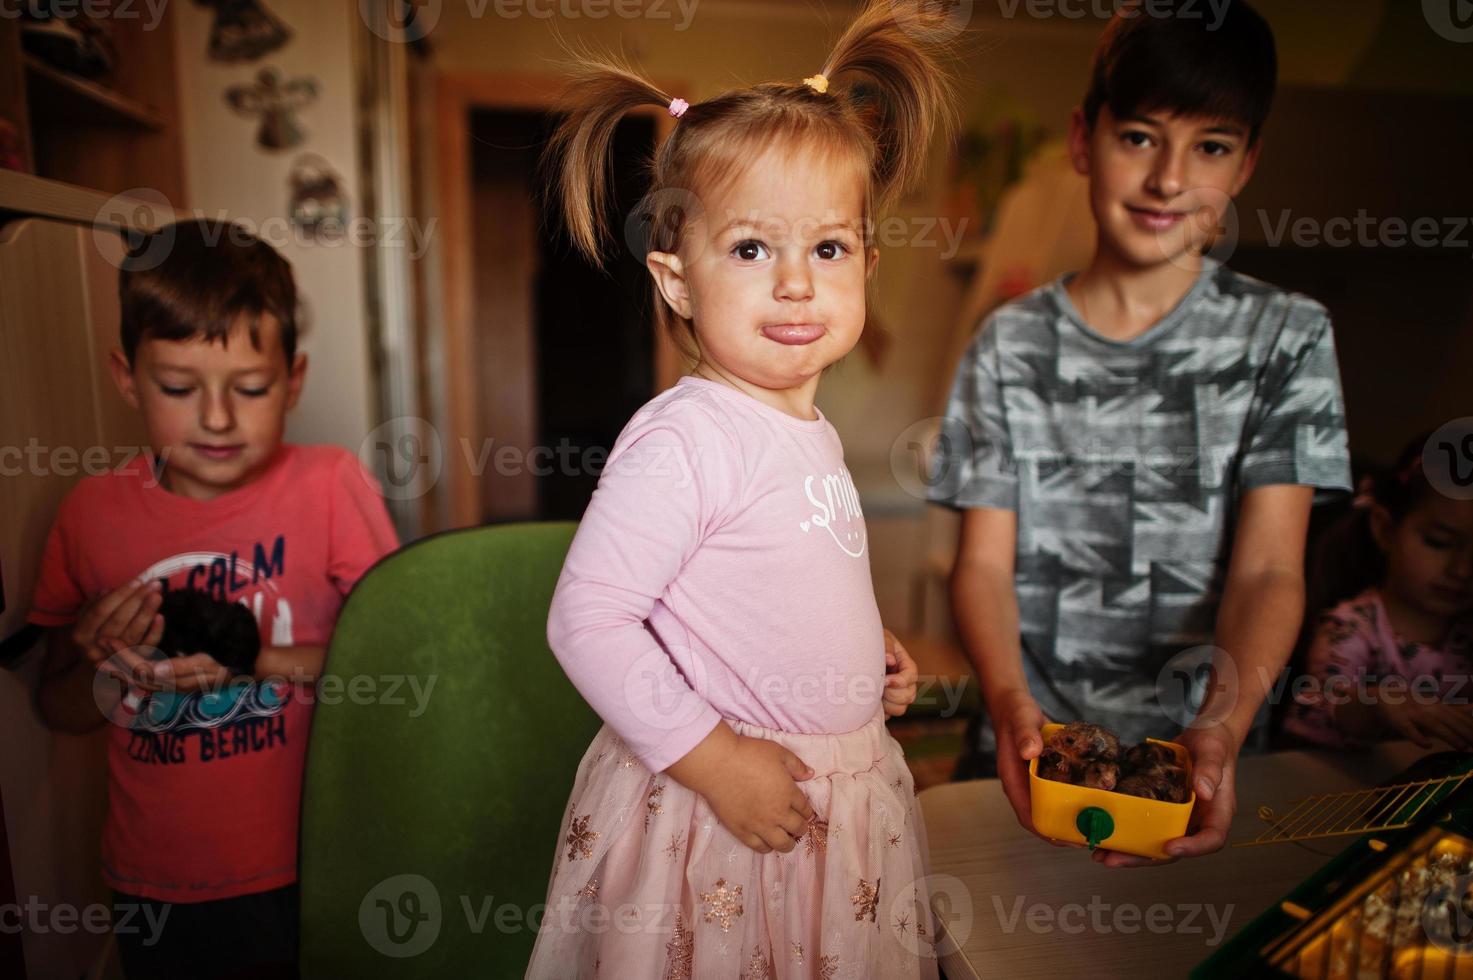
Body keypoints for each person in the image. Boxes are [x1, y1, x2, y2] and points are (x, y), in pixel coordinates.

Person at [523, 4, 953, 976]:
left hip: (830, 780)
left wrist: (859, 659)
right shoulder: (687, 437)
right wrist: (717, 764)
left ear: (867, 267)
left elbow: (774, 582)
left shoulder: (806, 427)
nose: (797, 283)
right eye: (753, 249)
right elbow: (586, 618)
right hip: (722, 814)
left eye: (829, 249)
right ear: (678, 281)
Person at [929, 0, 1352, 869]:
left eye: (1210, 146)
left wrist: (1220, 732)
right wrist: (1009, 704)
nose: (1167, 180)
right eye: (1140, 137)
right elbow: (980, 565)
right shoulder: (1009, 343)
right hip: (1026, 759)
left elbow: (1271, 567)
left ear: (1245, 165)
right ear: (1085, 140)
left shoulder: (1288, 337)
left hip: (1202, 766)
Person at [30, 219, 399, 979]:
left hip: (317, 855)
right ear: (127, 377)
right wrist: (99, 662)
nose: (219, 418)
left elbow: (395, 668)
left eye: (252, 389)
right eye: (177, 388)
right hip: (155, 882)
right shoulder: (90, 515)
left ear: (292, 380)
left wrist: (254, 660)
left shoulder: (330, 486)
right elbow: (55, 709)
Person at [1284, 438, 1473, 750]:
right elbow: (1323, 703)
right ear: (1385, 529)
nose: (1462, 570)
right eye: (1439, 542)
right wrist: (1374, 706)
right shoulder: (1352, 626)